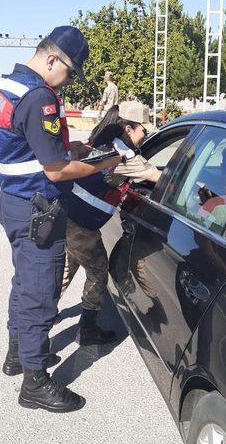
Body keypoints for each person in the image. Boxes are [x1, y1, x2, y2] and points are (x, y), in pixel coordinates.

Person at [0, 25, 121, 413]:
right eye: (68, 72)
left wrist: (72, 146)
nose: (67, 83)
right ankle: (35, 382)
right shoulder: (40, 96)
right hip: (38, 208)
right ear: (52, 59)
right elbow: (56, 171)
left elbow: (29, 143)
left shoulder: (10, 84)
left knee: (22, 281)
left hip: (13, 201)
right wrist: (106, 162)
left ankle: (18, 354)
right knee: (41, 291)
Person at [62, 100, 162, 345]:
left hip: (67, 216)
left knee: (66, 269)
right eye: (143, 131)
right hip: (82, 224)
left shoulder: (103, 142)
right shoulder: (125, 156)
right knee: (97, 271)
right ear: (129, 129)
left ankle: (37, 320)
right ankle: (87, 330)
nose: (144, 136)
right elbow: (157, 176)